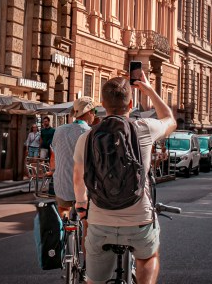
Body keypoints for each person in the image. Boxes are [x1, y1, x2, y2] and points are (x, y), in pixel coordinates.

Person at [73, 72, 177, 284]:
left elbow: (78, 179)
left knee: (93, 280)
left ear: (102, 104)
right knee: (149, 257)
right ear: (130, 104)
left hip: (100, 220)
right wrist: (148, 90)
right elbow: (170, 120)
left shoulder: (86, 137)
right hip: (139, 218)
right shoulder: (145, 128)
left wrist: (82, 205)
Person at [48, 96, 99, 217]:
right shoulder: (91, 133)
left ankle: (66, 232)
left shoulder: (59, 130)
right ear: (89, 112)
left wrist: (53, 171)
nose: (94, 115)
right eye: (94, 112)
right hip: (83, 188)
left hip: (62, 184)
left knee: (64, 211)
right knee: (85, 218)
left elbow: (53, 156)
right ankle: (82, 233)